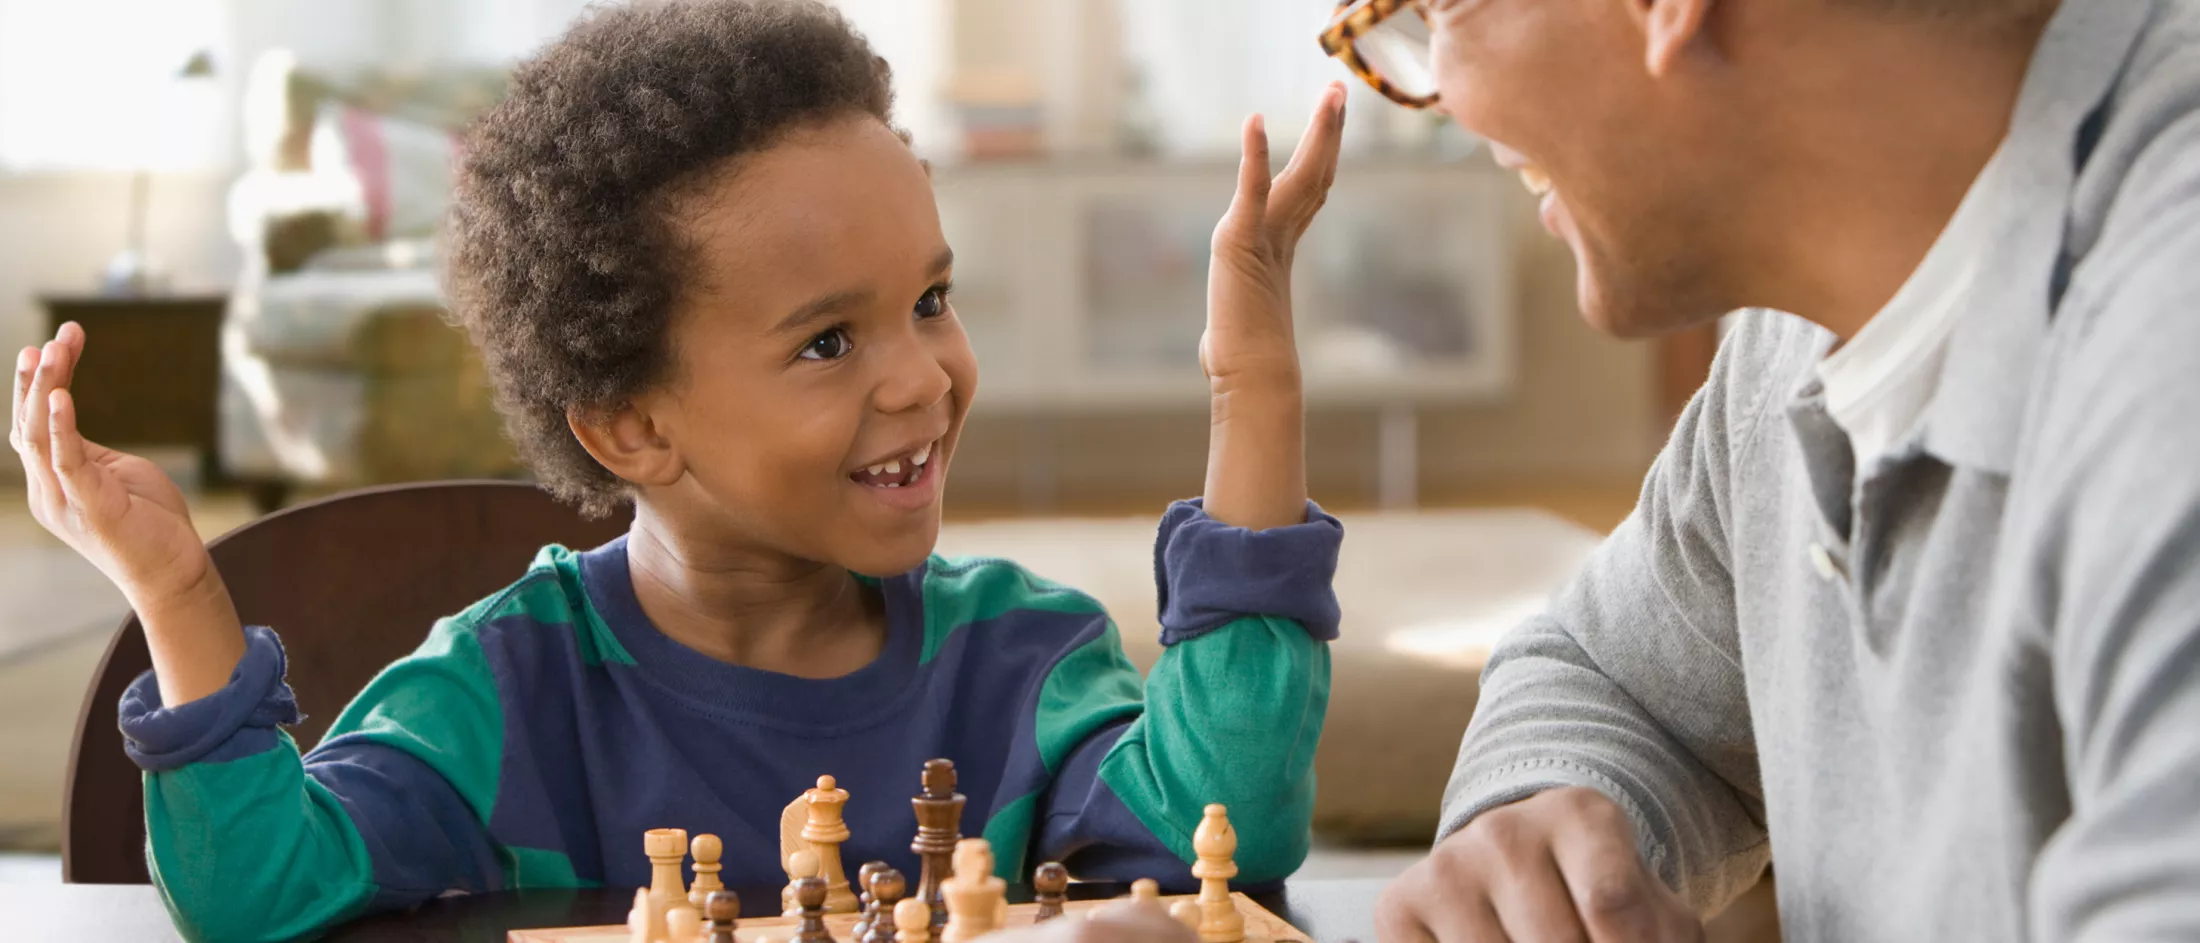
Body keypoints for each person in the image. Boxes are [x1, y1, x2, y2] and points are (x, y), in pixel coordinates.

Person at [8, 3, 1352, 941]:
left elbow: (1223, 828)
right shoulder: (508, 689)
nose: (921, 376)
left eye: (930, 298)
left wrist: (1254, 391)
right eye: (829, 339)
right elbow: (260, 890)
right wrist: (180, 594)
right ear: (633, 426)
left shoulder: (1024, 656)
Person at [1320, 0, 2200, 939]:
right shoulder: (1799, 328)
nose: (1439, 93)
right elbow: (1618, 679)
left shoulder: (2166, 357)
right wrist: (1546, 850)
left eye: (1437, 9)